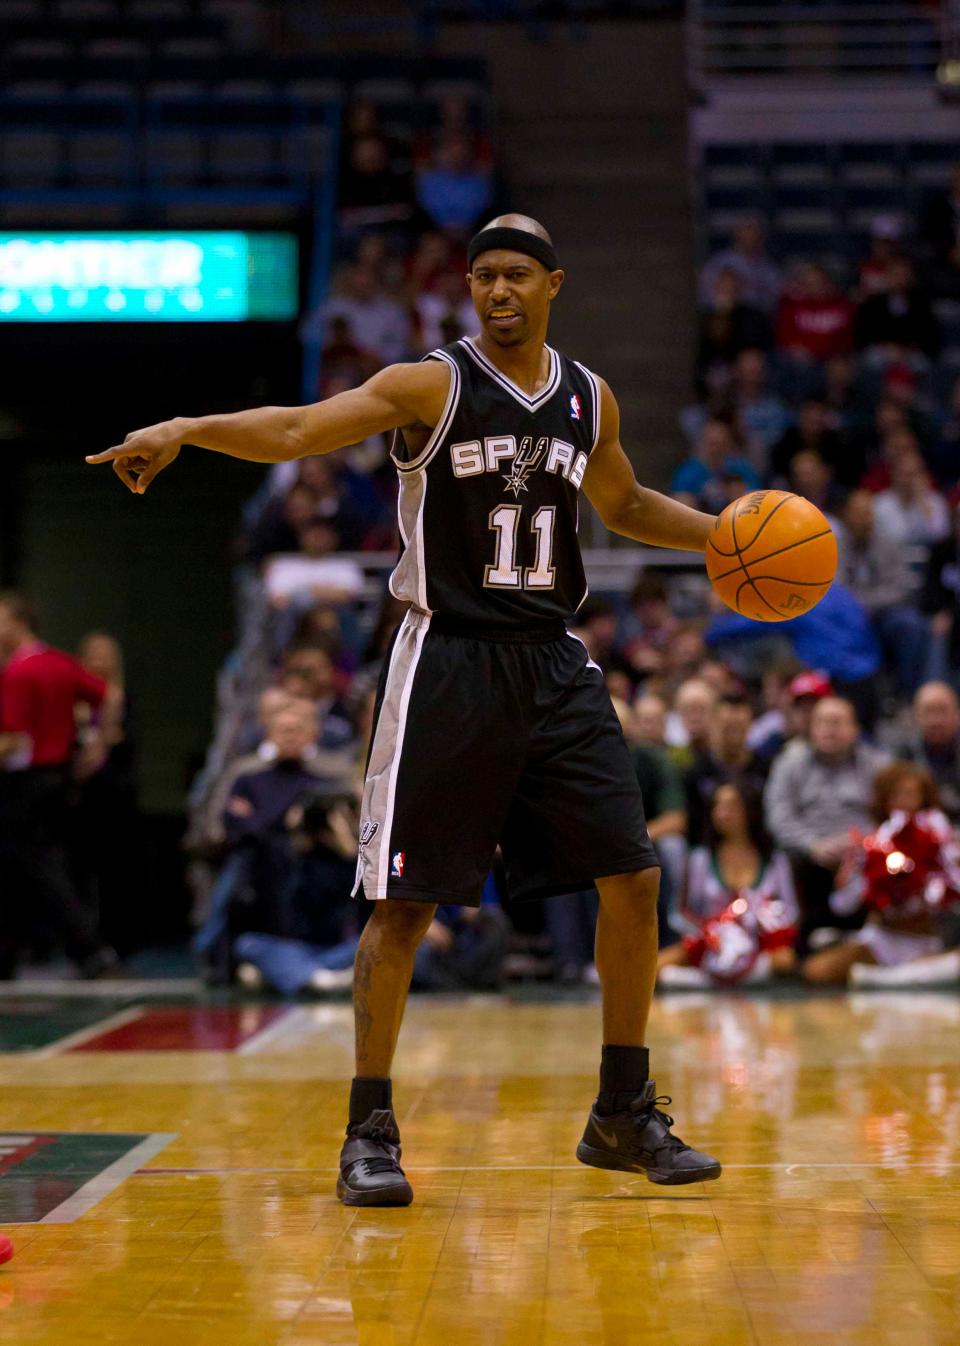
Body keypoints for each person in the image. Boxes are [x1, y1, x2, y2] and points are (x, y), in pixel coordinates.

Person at [88, 212, 724, 1205]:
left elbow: (629, 505)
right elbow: (300, 428)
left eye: (516, 275)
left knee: (634, 878)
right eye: (483, 277)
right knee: (405, 901)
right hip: (448, 659)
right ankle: (369, 1127)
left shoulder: (587, 398)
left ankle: (623, 1110)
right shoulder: (431, 383)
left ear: (554, 283)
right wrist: (187, 429)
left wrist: (728, 536)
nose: (498, 291)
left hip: (554, 660)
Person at [0, 593, 122, 979]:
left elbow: (13, 740)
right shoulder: (60, 662)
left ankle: (89, 949)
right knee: (27, 866)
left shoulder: (19, 672)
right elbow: (111, 694)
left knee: (40, 868)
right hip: (59, 780)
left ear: (19, 623)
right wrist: (97, 746)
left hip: (27, 782)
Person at [803, 763, 960, 987]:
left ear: (924, 798)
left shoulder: (939, 843)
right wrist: (853, 873)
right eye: (896, 796)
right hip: (881, 940)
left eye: (911, 795)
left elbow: (949, 895)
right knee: (816, 971)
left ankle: (885, 979)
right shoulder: (872, 845)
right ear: (884, 800)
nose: (903, 803)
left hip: (923, 943)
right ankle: (898, 977)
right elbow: (842, 906)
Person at [763, 696, 887, 948]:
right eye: (822, 722)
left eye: (837, 722)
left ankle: (878, 936)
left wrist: (863, 844)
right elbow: (778, 818)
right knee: (785, 860)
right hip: (810, 855)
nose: (829, 729)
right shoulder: (788, 764)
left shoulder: (879, 766)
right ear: (811, 729)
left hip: (865, 852)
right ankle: (798, 941)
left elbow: (893, 814)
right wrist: (814, 845)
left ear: (855, 729)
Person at [658, 782, 798, 987]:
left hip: (759, 943)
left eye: (732, 806)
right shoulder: (700, 859)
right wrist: (709, 931)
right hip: (710, 945)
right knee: (656, 967)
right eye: (717, 806)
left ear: (750, 810)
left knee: (785, 960)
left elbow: (792, 911)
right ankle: (715, 977)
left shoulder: (775, 860)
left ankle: (701, 980)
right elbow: (679, 912)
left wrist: (765, 924)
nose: (722, 813)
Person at [836, 489, 929, 697]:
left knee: (911, 624)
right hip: (848, 617)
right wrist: (856, 607)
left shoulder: (888, 544)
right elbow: (836, 586)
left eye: (868, 512)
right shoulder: (835, 545)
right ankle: (845, 697)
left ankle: (907, 695)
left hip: (884, 614)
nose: (863, 518)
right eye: (858, 512)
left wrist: (869, 604)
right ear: (847, 514)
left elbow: (899, 588)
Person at [896, 682, 960, 823]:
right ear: (916, 716)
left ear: (957, 714)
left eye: (943, 710)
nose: (936, 720)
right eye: (928, 711)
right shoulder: (903, 756)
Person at [699, 217, 782, 315]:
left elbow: (777, 296)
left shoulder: (767, 268)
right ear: (737, 236)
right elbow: (705, 297)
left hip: (756, 318)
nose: (751, 238)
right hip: (725, 317)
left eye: (755, 234)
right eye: (747, 233)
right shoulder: (720, 263)